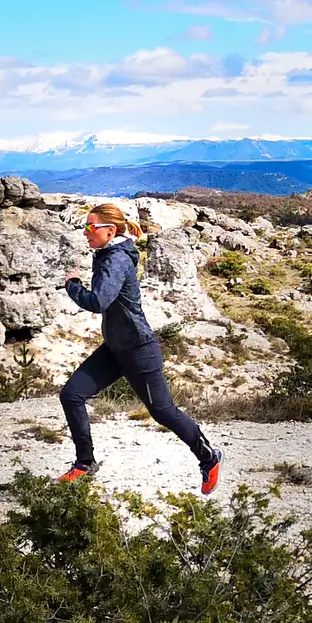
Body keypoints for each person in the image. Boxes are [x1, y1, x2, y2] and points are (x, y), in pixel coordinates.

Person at [58, 203, 223, 493]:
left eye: (89, 227)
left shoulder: (116, 260)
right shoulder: (108, 254)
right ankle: (84, 464)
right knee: (72, 395)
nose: (85, 233)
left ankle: (208, 457)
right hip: (114, 349)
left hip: (138, 351)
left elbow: (98, 302)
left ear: (110, 231)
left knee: (163, 412)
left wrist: (73, 285)